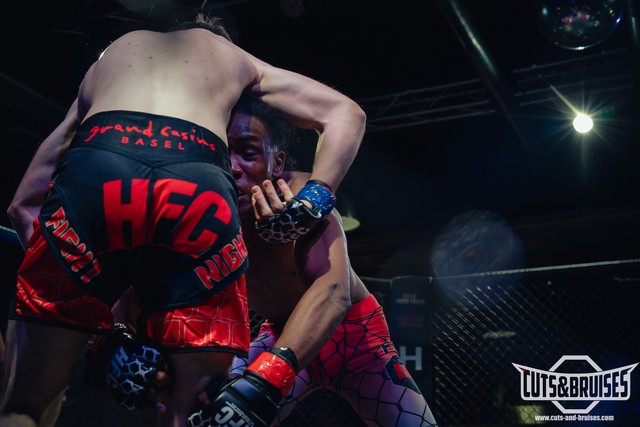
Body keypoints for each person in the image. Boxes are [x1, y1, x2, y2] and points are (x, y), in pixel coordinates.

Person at [0, 12, 366, 427]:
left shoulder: (112, 59)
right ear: (219, 41)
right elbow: (346, 113)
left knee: (23, 407)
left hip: (100, 160)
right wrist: (314, 199)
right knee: (194, 410)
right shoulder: (234, 59)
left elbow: (23, 206)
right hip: (194, 179)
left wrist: (108, 335)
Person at [187, 98, 437, 426]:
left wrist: (300, 217)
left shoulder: (301, 197)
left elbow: (335, 292)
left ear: (276, 163)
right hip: (284, 332)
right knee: (214, 417)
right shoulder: (200, 210)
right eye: (222, 153)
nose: (233, 167)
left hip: (354, 338)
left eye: (248, 153)